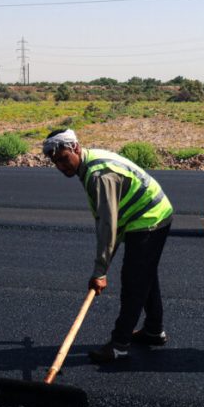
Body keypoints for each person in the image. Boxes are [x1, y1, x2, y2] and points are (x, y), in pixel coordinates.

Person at [42, 129, 173, 364]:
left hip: (150, 216)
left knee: (134, 280)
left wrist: (100, 271)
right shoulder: (88, 164)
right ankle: (154, 331)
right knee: (144, 275)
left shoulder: (99, 174)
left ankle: (119, 345)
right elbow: (108, 220)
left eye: (63, 159)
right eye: (56, 162)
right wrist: (103, 263)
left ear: (76, 148)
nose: (61, 166)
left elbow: (107, 225)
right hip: (140, 214)